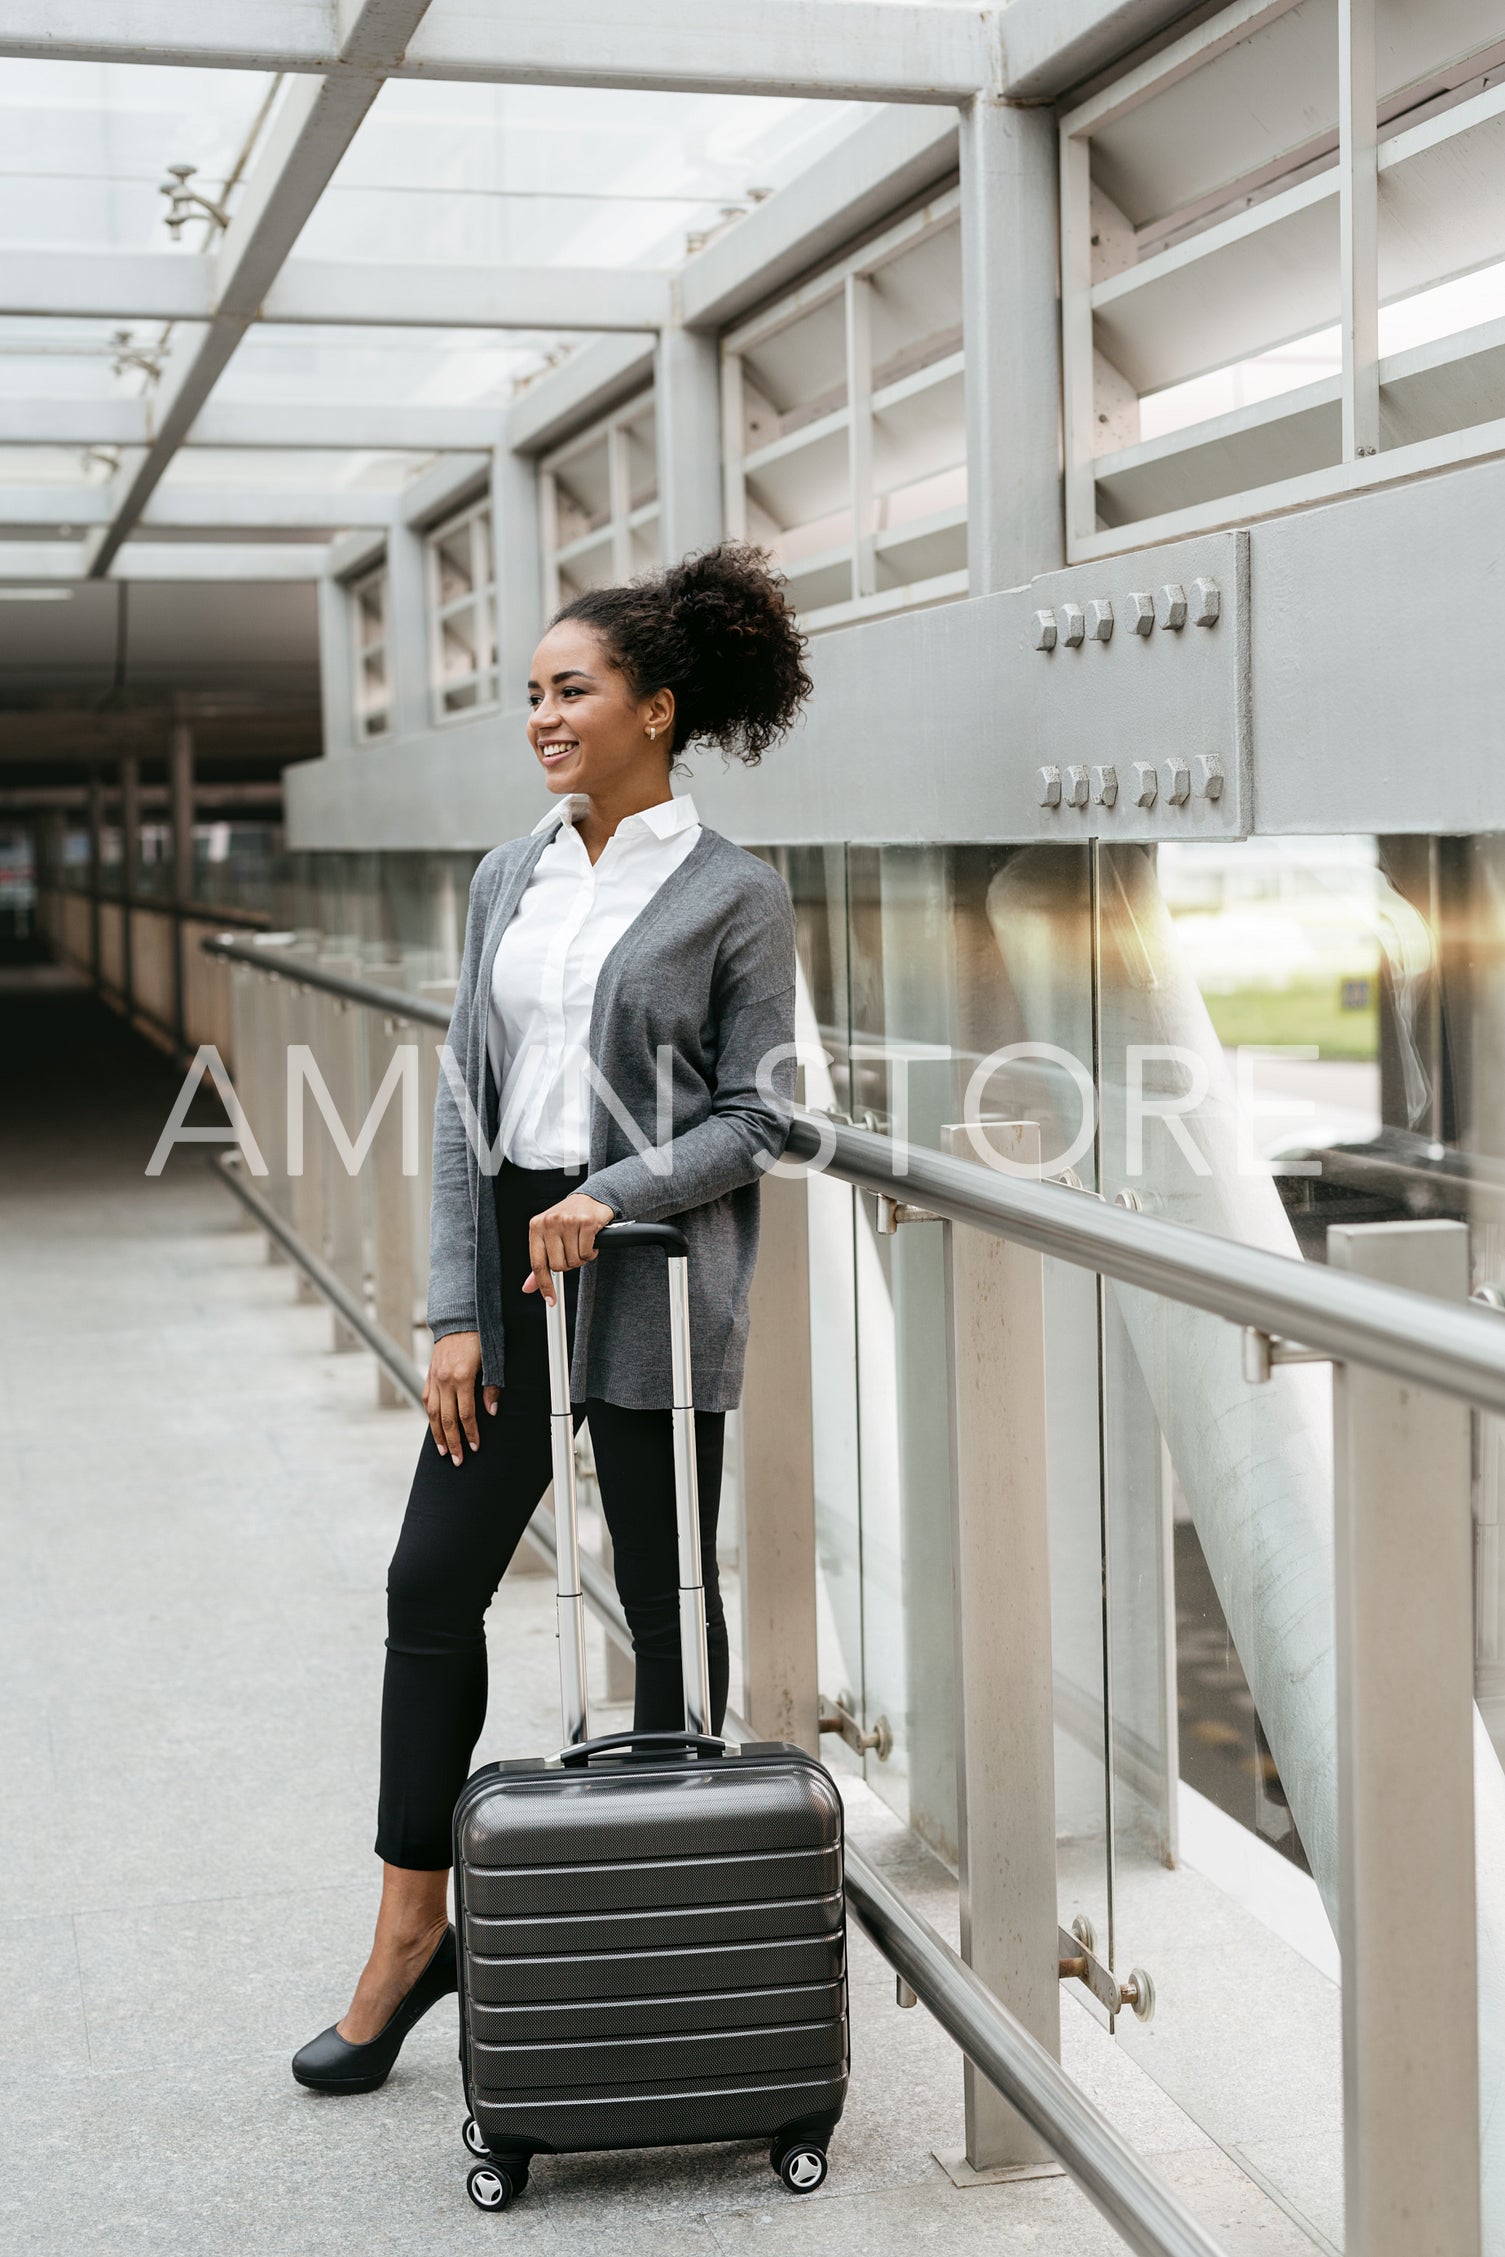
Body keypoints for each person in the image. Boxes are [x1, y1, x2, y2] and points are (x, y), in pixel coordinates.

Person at [292, 544, 812, 2093]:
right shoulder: (504, 876)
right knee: (429, 1579)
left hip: (647, 1262)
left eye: (567, 689)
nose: (541, 715)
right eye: (530, 692)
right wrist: (455, 1304)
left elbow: (762, 1115)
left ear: (656, 709)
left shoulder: (734, 893)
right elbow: (464, 1097)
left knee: (665, 1616)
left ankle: (662, 1963)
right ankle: (407, 1936)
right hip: (514, 1266)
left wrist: (624, 1186)